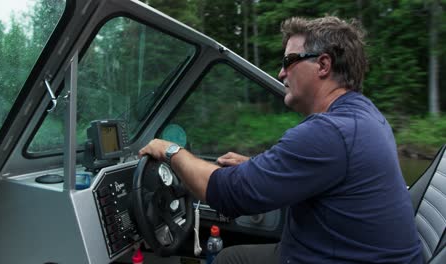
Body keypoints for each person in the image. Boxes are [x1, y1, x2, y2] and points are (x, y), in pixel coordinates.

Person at [139, 16, 423, 263]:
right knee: (229, 256)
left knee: (228, 259)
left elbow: (226, 194)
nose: (281, 72)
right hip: (339, 253)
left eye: (289, 61)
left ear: (323, 64)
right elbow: (325, 175)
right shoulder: (364, 115)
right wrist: (258, 168)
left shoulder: (329, 132)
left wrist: (170, 150)